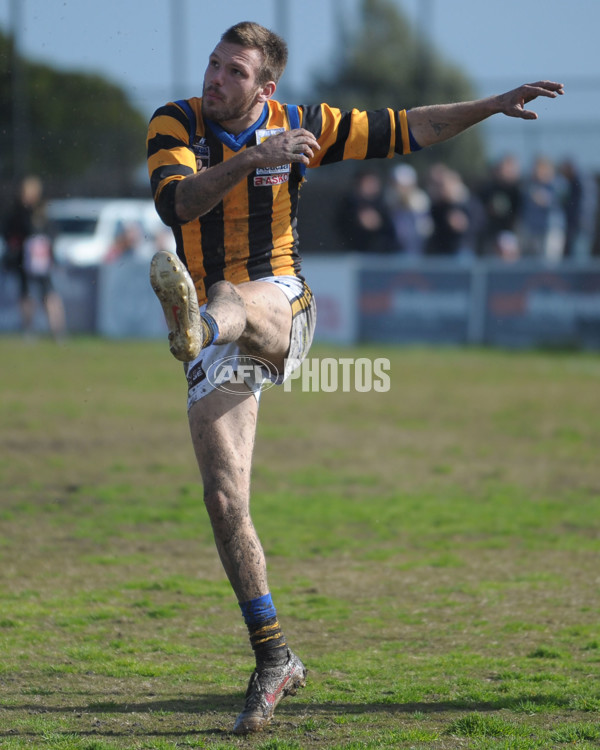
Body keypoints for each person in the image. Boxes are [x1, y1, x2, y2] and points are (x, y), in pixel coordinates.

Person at [146, 20, 563, 734]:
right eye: (215, 65)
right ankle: (274, 655)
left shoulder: (306, 124)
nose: (216, 80)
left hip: (280, 304)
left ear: (265, 88)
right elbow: (177, 204)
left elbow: (411, 127)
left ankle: (198, 328)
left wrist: (489, 104)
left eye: (234, 73)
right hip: (216, 332)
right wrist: (256, 159)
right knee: (223, 500)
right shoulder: (175, 123)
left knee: (227, 302)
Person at [2, 175, 66, 340]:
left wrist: (45, 247)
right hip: (23, 259)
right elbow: (9, 233)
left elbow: (51, 233)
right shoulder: (18, 211)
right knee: (26, 294)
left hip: (41, 259)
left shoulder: (41, 211)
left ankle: (58, 331)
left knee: (48, 293)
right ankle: (29, 331)